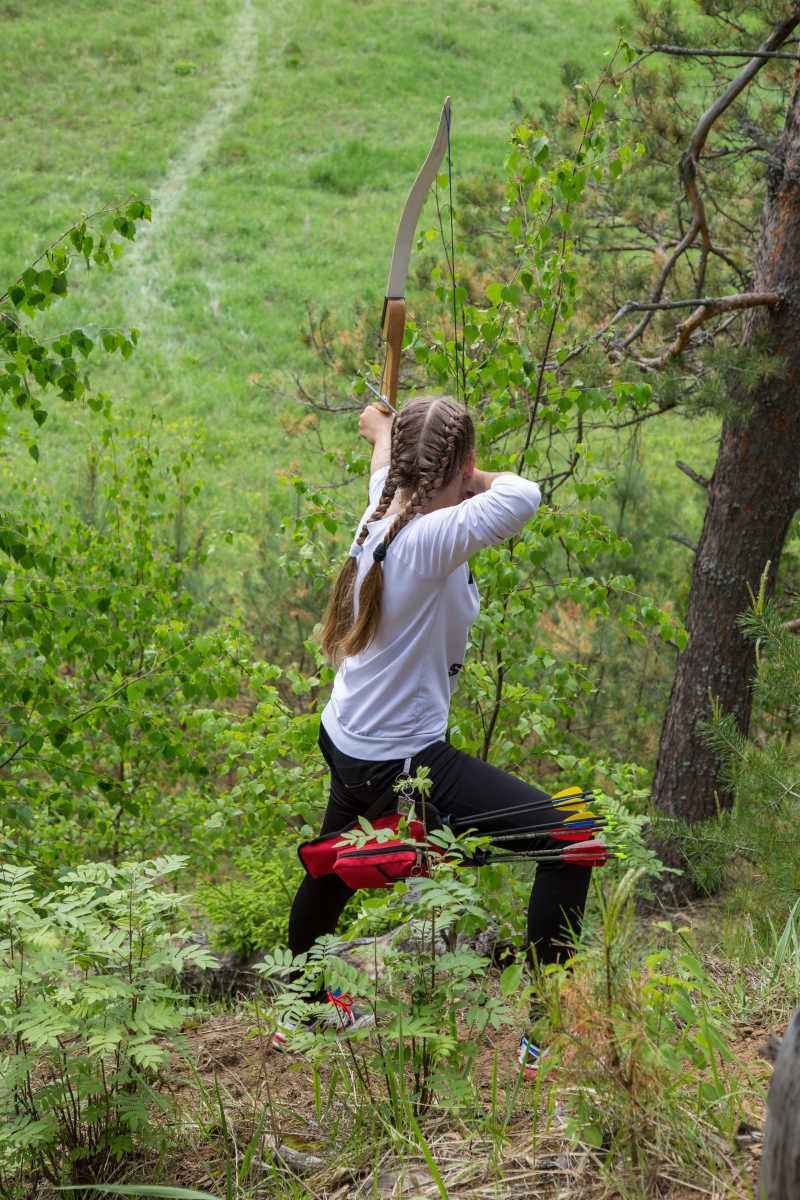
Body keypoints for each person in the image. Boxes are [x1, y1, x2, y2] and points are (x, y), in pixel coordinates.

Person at [281, 394, 596, 1077]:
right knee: (574, 841)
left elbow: (379, 462)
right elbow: (525, 496)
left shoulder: (383, 512)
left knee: (335, 863)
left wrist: (383, 431)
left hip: (349, 738)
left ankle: (301, 1003)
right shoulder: (429, 538)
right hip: (402, 757)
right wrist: (471, 475)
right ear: (462, 466)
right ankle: (545, 1041)